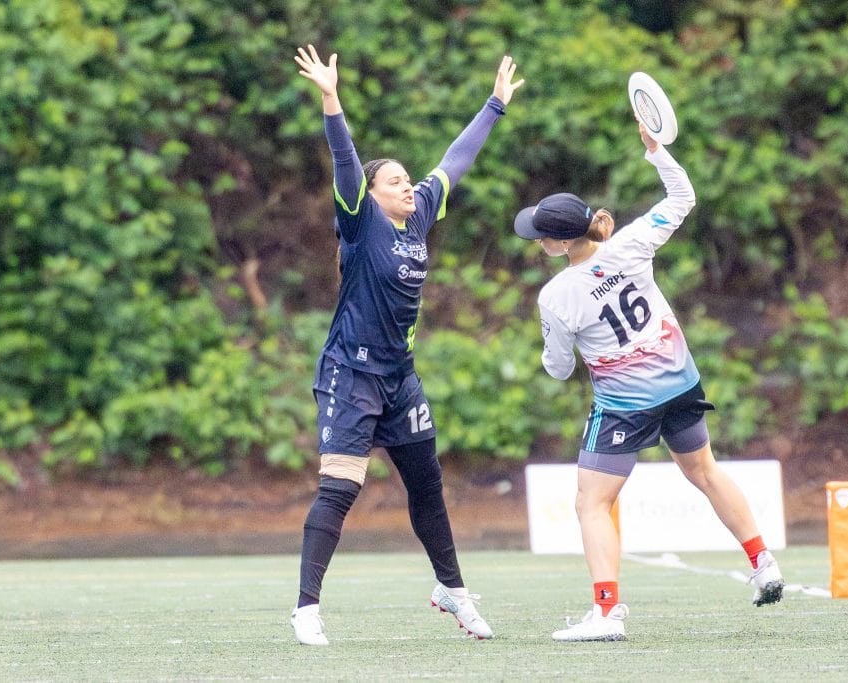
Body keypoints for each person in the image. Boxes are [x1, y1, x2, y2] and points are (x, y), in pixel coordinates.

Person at [513, 121, 785, 642]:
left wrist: (555, 342)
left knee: (590, 504)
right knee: (704, 471)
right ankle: (764, 562)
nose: (536, 241)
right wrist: (656, 150)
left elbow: (560, 369)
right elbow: (683, 195)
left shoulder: (556, 295)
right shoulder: (631, 242)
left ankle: (608, 613)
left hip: (624, 405)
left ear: (558, 241)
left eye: (539, 235)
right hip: (679, 381)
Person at [290, 44, 524, 645]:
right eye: (395, 181)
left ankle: (451, 589)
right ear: (371, 195)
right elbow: (345, 161)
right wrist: (331, 97)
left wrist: (494, 105)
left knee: (427, 486)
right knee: (340, 488)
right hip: (351, 373)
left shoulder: (417, 216)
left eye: (406, 181)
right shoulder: (359, 220)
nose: (407, 187)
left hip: (400, 377)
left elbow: (457, 158)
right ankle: (306, 609)